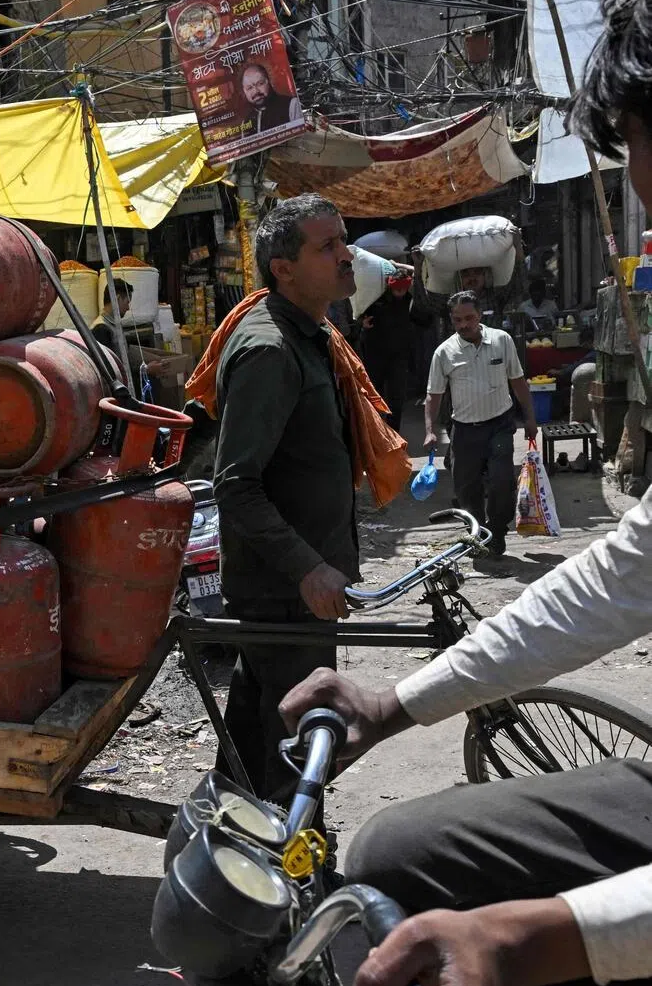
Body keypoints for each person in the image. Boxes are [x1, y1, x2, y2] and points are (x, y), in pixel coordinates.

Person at [277, 0, 652, 986]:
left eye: (641, 148)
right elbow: (631, 565)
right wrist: (406, 698)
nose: (640, 188)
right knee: (392, 853)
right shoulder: (271, 346)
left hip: (335, 550)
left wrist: (538, 940)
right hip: (300, 564)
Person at [186, 194, 407, 801]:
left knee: (258, 742)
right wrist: (307, 567)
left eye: (344, 241)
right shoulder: (270, 350)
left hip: (299, 590)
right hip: (284, 592)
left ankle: (224, 852)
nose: (346, 257)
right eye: (327, 247)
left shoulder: (313, 334)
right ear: (283, 268)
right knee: (300, 746)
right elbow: (235, 484)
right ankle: (296, 874)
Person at [424, 291, 537, 557]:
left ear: (480, 315)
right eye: (458, 320)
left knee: (501, 481)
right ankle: (478, 533)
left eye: (469, 318)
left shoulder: (502, 340)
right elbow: (434, 394)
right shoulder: (444, 352)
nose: (464, 325)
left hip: (499, 424)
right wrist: (430, 430)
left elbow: (518, 381)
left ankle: (497, 532)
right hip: (463, 431)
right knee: (466, 488)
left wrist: (530, 418)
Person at [356, 270, 433, 432]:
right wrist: (362, 325)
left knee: (396, 399)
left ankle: (393, 433)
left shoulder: (410, 302)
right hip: (375, 355)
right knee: (373, 395)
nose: (399, 292)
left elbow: (425, 320)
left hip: (399, 357)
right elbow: (357, 317)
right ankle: (373, 432)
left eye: (403, 288)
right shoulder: (376, 301)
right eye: (396, 288)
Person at [239, 61, 301, 136]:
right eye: (249, 88)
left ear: (269, 81)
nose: (256, 91)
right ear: (244, 92)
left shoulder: (292, 105)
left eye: (260, 84)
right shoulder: (246, 122)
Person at [91, 278, 133, 350]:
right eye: (127, 302)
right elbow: (108, 360)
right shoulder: (101, 329)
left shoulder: (112, 324)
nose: (128, 308)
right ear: (117, 298)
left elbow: (127, 351)